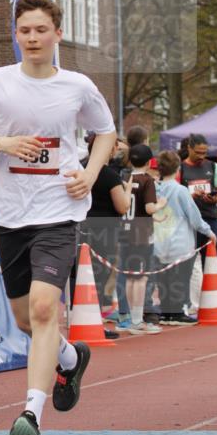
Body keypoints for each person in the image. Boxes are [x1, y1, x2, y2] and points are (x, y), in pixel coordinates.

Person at [0, 0, 116, 435]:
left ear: (57, 34)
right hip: (9, 215)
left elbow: (106, 131)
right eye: (25, 31)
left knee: (44, 309)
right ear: (15, 35)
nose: (33, 38)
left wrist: (91, 173)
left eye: (42, 30)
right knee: (25, 319)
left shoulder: (77, 86)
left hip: (59, 211)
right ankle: (71, 357)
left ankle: (30, 415)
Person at [153, 150, 215, 324]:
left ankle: (166, 311)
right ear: (177, 169)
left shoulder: (155, 188)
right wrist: (209, 231)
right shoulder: (181, 191)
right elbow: (194, 217)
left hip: (159, 241)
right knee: (180, 278)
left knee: (163, 278)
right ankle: (177, 311)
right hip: (180, 242)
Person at [78, 134, 133, 322]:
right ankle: (94, 317)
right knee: (100, 274)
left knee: (81, 272)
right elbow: (122, 206)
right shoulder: (110, 175)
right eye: (115, 147)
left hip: (81, 225)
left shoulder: (80, 168)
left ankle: (78, 312)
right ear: (108, 149)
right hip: (105, 230)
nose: (116, 151)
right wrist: (128, 190)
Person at [117, 144, 166, 335]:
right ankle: (137, 320)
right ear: (148, 162)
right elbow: (148, 208)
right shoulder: (147, 180)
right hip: (142, 236)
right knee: (140, 279)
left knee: (130, 277)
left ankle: (132, 317)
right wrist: (161, 204)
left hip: (126, 232)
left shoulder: (125, 177)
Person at [179, 133, 217, 314]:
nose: (201, 156)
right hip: (188, 221)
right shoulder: (181, 168)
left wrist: (213, 198)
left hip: (210, 217)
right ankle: (187, 303)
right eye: (198, 152)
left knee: (212, 261)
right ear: (189, 149)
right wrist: (191, 196)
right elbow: (177, 192)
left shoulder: (213, 166)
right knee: (188, 263)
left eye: (204, 152)